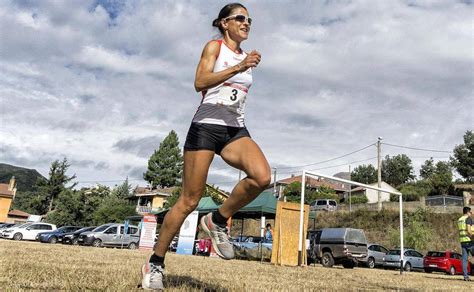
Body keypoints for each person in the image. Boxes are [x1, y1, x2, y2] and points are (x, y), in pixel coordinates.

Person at [141, 3, 270, 290]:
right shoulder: (214, 47)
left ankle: (217, 220)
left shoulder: (246, 56)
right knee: (189, 200)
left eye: (249, 19)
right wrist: (239, 66)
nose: (246, 23)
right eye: (240, 18)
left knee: (262, 177)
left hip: (234, 128)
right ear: (225, 23)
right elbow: (200, 82)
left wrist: (244, 63)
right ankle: (155, 263)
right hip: (206, 126)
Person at [458, 206, 473, 281]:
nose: (471, 213)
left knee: (464, 260)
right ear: (467, 212)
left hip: (462, 241)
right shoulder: (468, 219)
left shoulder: (460, 219)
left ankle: (465, 277)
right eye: (470, 212)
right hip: (470, 241)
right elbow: (469, 231)